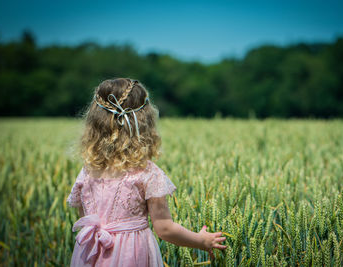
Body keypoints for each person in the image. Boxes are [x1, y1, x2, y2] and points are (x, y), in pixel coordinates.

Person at [66, 78, 227, 266]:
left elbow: (84, 217)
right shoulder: (147, 172)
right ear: (145, 123)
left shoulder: (87, 170)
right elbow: (165, 229)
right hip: (132, 255)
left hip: (91, 253)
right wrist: (202, 241)